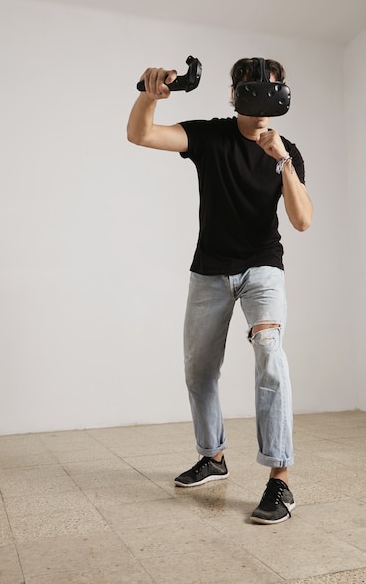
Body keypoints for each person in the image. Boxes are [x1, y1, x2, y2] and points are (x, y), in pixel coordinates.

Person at [127, 57, 313, 524]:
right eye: (254, 90)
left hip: (262, 267)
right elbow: (141, 135)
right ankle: (213, 457)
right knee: (199, 370)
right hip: (210, 269)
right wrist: (150, 93)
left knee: (270, 352)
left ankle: (280, 483)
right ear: (235, 95)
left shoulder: (287, 149)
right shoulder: (210, 136)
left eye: (275, 90)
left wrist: (282, 160)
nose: (265, 100)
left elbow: (303, 220)